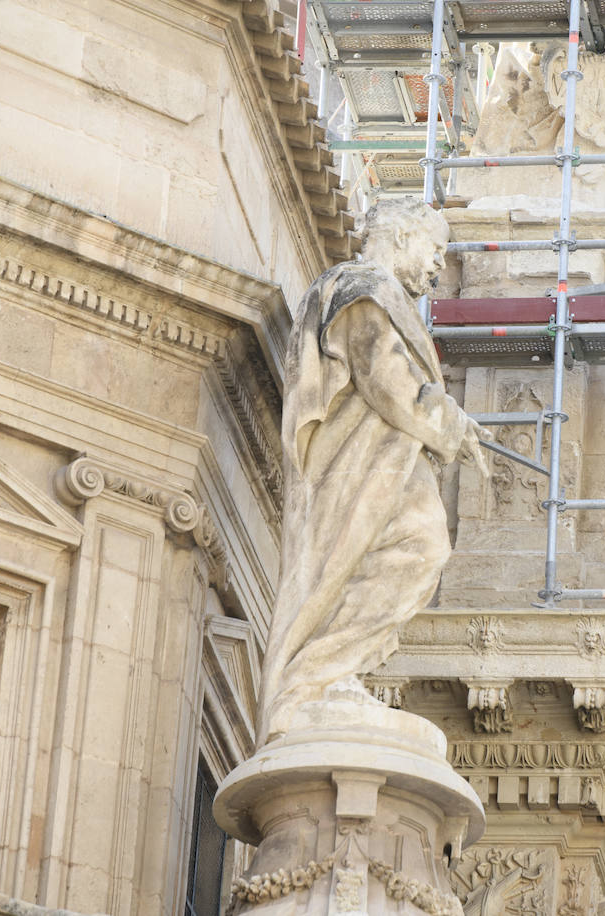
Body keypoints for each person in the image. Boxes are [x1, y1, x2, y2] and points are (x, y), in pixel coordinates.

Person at [256, 198, 488, 746]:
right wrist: (446, 422)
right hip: (356, 463)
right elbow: (381, 374)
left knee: (415, 546)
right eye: (435, 249)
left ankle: (331, 674)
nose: (438, 265)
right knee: (412, 545)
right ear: (403, 236)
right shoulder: (361, 286)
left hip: (383, 458)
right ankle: (312, 681)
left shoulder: (367, 292)